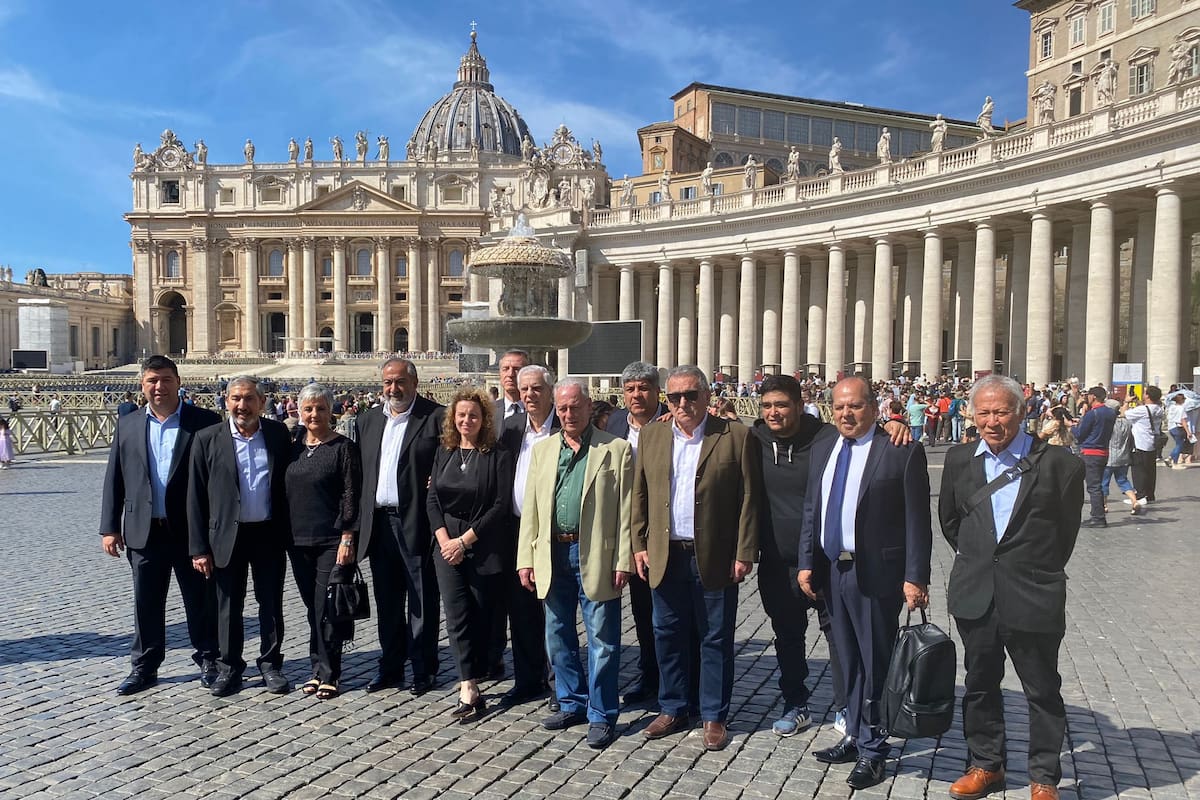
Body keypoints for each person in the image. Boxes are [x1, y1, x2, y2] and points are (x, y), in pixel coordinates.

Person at [938, 375, 1084, 800]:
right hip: (977, 592)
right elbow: (952, 522)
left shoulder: (1061, 465)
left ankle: (1043, 777)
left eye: (1001, 411)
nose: (992, 421)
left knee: (1042, 691)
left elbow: (1065, 535)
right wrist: (981, 559)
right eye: (983, 412)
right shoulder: (959, 459)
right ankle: (986, 765)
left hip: (1033, 593)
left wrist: (1030, 568)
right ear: (971, 414)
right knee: (981, 684)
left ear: (1021, 412)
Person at [798, 376, 932, 790]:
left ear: (875, 408)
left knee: (875, 662)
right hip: (830, 571)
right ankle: (854, 733)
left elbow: (917, 520)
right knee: (845, 660)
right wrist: (806, 563)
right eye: (839, 407)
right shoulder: (824, 446)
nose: (846, 413)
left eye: (855, 406)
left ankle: (875, 750)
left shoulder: (899, 449)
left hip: (875, 573)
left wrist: (915, 577)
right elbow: (812, 508)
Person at [632, 365, 763, 753]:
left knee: (715, 638)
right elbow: (640, 494)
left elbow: (749, 499)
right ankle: (673, 707)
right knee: (667, 633)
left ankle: (713, 716)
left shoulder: (736, 435)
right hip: (665, 553)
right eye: (675, 397)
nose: (683, 403)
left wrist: (744, 551)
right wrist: (639, 543)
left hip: (715, 556)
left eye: (691, 395)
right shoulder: (653, 435)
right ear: (666, 401)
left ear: (707, 395)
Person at [518, 379, 633, 749]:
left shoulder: (615, 449)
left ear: (588, 407)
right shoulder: (544, 449)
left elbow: (627, 512)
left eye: (575, 408)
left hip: (596, 554)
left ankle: (602, 713)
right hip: (551, 552)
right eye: (563, 408)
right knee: (558, 635)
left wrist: (624, 559)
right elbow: (532, 511)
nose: (568, 415)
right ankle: (571, 701)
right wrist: (526, 558)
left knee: (603, 640)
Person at [99, 355, 220, 695]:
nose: (159, 387)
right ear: (142, 385)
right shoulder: (129, 424)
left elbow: (217, 479)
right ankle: (144, 666)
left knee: (199, 600)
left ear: (179, 382)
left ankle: (209, 658)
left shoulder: (205, 422)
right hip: (144, 528)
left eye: (165, 379)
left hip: (190, 530)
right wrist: (110, 526)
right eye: (152, 380)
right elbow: (115, 478)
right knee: (146, 602)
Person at [188, 376, 292, 697]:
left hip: (267, 532)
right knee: (227, 605)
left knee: (270, 603)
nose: (241, 405)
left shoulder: (277, 434)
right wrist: (198, 548)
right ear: (225, 400)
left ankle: (271, 663)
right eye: (235, 398)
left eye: (248, 399)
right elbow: (195, 497)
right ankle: (229, 666)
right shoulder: (207, 439)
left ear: (261, 402)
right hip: (225, 535)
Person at [356, 358, 445, 694]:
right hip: (380, 523)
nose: (393, 389)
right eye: (387, 383)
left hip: (418, 522)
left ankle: (424, 668)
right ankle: (390, 665)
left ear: (415, 382)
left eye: (399, 382)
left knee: (423, 600)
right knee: (388, 601)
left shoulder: (435, 417)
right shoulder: (367, 421)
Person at [428, 389, 513, 722]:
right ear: (453, 418)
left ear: (484, 419)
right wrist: (444, 540)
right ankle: (468, 685)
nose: (467, 420)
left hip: (481, 543)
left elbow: (500, 505)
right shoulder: (444, 451)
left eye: (473, 415)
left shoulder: (497, 454)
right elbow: (432, 499)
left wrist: (464, 541)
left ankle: (479, 673)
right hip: (445, 544)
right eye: (461, 415)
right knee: (456, 616)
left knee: (480, 615)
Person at [286, 383, 362, 700]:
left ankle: (329, 672)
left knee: (327, 607)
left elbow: (350, 494)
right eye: (308, 409)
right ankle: (317, 667)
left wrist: (348, 535)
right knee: (312, 608)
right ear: (299, 413)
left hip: (332, 539)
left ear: (331, 411)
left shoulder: (344, 447)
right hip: (297, 539)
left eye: (320, 408)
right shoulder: (293, 447)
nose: (314, 414)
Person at [605, 361, 670, 705]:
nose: (637, 395)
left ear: (656, 391)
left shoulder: (671, 422)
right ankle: (649, 677)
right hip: (619, 531)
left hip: (658, 532)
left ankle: (675, 680)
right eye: (630, 389)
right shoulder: (614, 423)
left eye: (644, 388)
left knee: (667, 613)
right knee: (642, 613)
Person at [496, 364, 558, 706]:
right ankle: (527, 679)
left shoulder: (565, 426)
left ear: (549, 391)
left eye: (537, 389)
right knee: (520, 610)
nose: (530, 395)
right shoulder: (511, 427)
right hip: (517, 528)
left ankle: (557, 681)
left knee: (555, 609)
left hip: (556, 530)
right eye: (525, 390)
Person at [1074, 387, 1117, 528]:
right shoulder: (1111, 413)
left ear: (1092, 397)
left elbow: (1080, 435)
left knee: (1093, 487)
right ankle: (1097, 515)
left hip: (1090, 452)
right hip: (1104, 451)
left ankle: (1098, 518)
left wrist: (1071, 427)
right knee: (1097, 484)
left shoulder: (1092, 414)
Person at [1102, 400, 1140, 516]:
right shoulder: (1127, 422)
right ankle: (1134, 501)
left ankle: (1104, 505)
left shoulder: (1108, 423)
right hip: (1124, 456)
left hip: (1109, 457)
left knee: (1104, 482)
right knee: (1123, 480)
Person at [495, 349, 530, 421]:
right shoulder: (489, 411)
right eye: (506, 369)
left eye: (516, 369)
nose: (510, 374)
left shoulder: (541, 410)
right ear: (500, 373)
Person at [1166, 393, 1191, 467]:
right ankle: (1171, 459)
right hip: (1178, 427)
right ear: (1182, 400)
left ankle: (1173, 460)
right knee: (1180, 445)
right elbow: (1183, 420)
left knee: (1178, 444)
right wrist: (1188, 432)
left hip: (1171, 427)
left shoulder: (1171, 407)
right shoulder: (1181, 408)